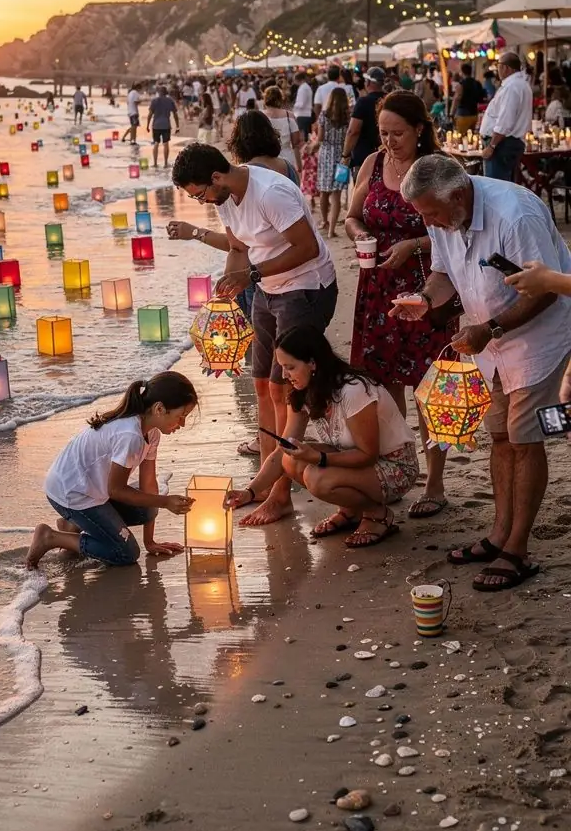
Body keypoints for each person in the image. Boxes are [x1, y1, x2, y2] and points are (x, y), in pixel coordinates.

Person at [391, 155, 571, 590]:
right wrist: (425, 300)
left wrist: (489, 328)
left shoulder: (516, 214)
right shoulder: (441, 213)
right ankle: (499, 534)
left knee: (526, 438)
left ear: (457, 195)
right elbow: (443, 274)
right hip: (485, 339)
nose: (427, 222)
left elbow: (547, 289)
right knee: (500, 437)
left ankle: (518, 550)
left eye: (431, 213)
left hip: (538, 336)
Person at [170, 143, 337, 523]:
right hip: (266, 287)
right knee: (261, 385)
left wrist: (252, 276)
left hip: (305, 288)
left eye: (199, 193)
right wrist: (230, 285)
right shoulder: (224, 198)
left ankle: (280, 494)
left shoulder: (270, 192)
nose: (200, 201)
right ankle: (264, 482)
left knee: (284, 390)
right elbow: (239, 247)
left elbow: (308, 248)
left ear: (216, 177)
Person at [346, 92, 455, 518]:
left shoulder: (437, 168)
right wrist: (358, 234)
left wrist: (415, 244)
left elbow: (456, 226)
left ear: (419, 130)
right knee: (385, 389)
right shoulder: (373, 164)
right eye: (383, 132)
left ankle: (435, 482)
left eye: (397, 133)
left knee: (428, 390)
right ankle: (398, 471)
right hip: (377, 290)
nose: (389, 141)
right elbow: (354, 215)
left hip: (428, 287)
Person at [224, 327, 418, 546]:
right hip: (354, 463)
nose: (284, 376)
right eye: (281, 368)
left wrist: (318, 458)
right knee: (290, 458)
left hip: (395, 466)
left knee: (318, 479)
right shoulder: (303, 391)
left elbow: (368, 455)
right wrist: (249, 492)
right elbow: (282, 452)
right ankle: (350, 510)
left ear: (313, 363)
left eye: (290, 367)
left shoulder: (352, 391)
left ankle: (377, 514)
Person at [27, 372, 197, 569]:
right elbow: (116, 490)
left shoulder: (152, 433)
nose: (182, 424)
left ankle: (72, 526)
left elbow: (148, 484)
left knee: (150, 505)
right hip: (71, 493)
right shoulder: (129, 435)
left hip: (95, 489)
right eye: (181, 416)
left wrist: (150, 542)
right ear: (159, 408)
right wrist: (166, 502)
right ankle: (51, 537)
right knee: (125, 553)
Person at [478, 51, 532, 180]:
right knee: (504, 186)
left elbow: (505, 121)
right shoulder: (520, 85)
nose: (497, 70)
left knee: (496, 188)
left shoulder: (512, 87)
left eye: (498, 66)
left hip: (503, 145)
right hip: (507, 143)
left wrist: (492, 146)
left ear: (506, 68)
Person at [306, 85, 348, 238]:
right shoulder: (347, 116)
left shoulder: (324, 115)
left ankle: (325, 221)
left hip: (326, 155)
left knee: (324, 192)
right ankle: (332, 231)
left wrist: (311, 147)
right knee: (336, 194)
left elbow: (321, 139)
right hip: (342, 157)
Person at [341, 66, 384, 179]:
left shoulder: (363, 102)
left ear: (369, 82)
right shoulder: (390, 99)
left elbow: (353, 131)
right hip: (386, 154)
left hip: (364, 156)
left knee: (363, 192)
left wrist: (345, 154)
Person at [262, 84, 302, 168]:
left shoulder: (260, 115)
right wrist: (299, 165)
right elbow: (296, 143)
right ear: (280, 98)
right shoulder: (289, 115)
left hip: (267, 158)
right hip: (287, 157)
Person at [146, 84, 180, 169]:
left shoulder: (154, 101)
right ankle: (165, 163)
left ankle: (155, 163)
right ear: (166, 93)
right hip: (166, 125)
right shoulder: (170, 101)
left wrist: (147, 125)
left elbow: (150, 114)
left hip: (156, 125)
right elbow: (175, 114)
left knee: (156, 143)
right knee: (166, 144)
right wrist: (177, 126)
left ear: (159, 92)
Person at [451, 61, 484, 137]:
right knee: (471, 138)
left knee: (461, 138)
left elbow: (457, 99)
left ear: (462, 72)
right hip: (474, 114)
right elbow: (481, 98)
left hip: (463, 115)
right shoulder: (477, 83)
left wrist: (451, 113)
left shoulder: (461, 84)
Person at [292, 70, 314, 144]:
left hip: (302, 115)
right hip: (305, 114)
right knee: (306, 136)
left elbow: (301, 104)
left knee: (303, 138)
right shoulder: (305, 87)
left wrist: (293, 107)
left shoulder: (303, 88)